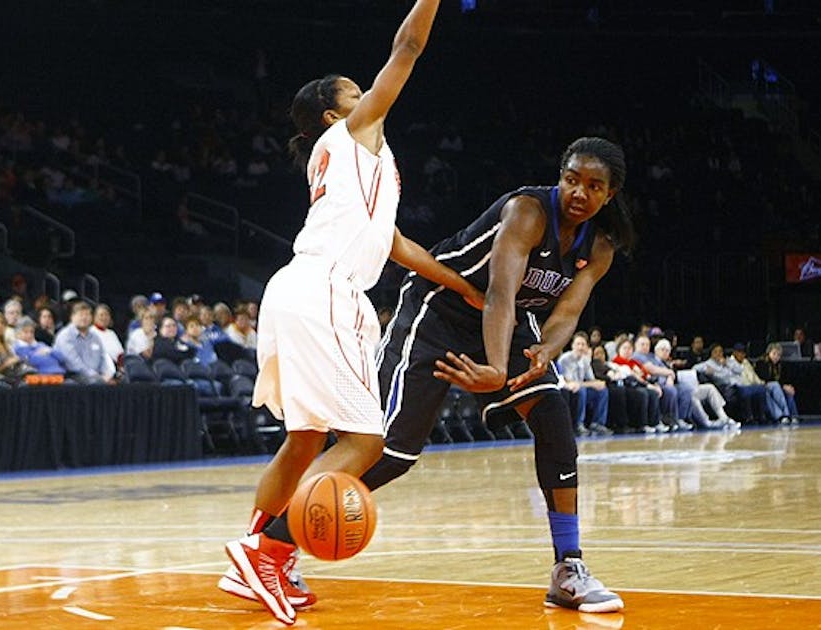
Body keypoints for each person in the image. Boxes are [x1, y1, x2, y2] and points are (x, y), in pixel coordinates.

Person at [220, 2, 483, 624]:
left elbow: (400, 247)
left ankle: (259, 562)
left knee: (305, 439)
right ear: (335, 114)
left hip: (297, 289)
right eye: (358, 93)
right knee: (365, 440)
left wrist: (466, 289)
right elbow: (407, 49)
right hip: (325, 292)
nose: (371, 95)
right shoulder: (348, 137)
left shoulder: (362, 167)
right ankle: (264, 552)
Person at [363, 135, 635, 614]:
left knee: (554, 419)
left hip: (508, 324)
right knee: (391, 452)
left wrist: (543, 353)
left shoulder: (601, 246)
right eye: (572, 179)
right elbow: (499, 295)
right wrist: (494, 364)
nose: (579, 192)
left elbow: (567, 313)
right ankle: (277, 538)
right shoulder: (528, 212)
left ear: (609, 194)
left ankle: (567, 568)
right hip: (439, 311)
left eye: (593, 186)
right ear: (560, 177)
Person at [557, 331, 611, 436]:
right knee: (581, 390)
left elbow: (590, 379)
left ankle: (597, 423)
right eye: (578, 344)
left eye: (583, 344)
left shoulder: (585, 360)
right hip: (568, 388)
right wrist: (591, 384)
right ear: (572, 345)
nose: (580, 347)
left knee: (602, 390)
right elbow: (569, 381)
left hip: (580, 386)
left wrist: (598, 383)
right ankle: (579, 424)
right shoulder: (565, 359)